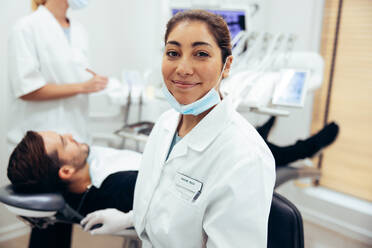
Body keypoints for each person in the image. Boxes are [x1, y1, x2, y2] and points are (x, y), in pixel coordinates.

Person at [82, 10, 276, 247]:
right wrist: (130, 218)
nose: (183, 68)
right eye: (173, 53)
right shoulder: (165, 124)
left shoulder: (245, 156)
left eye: (201, 54)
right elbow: (166, 200)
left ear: (226, 66)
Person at [6, 0, 108, 247]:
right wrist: (82, 87)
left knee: (64, 216)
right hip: (46, 143)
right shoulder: (27, 27)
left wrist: (91, 84)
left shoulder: (79, 30)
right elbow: (26, 88)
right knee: (47, 221)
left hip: (74, 135)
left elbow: (73, 75)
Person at [7, 130, 140, 216]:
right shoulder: (117, 185)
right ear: (66, 171)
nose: (70, 135)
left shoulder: (83, 161)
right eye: (64, 142)